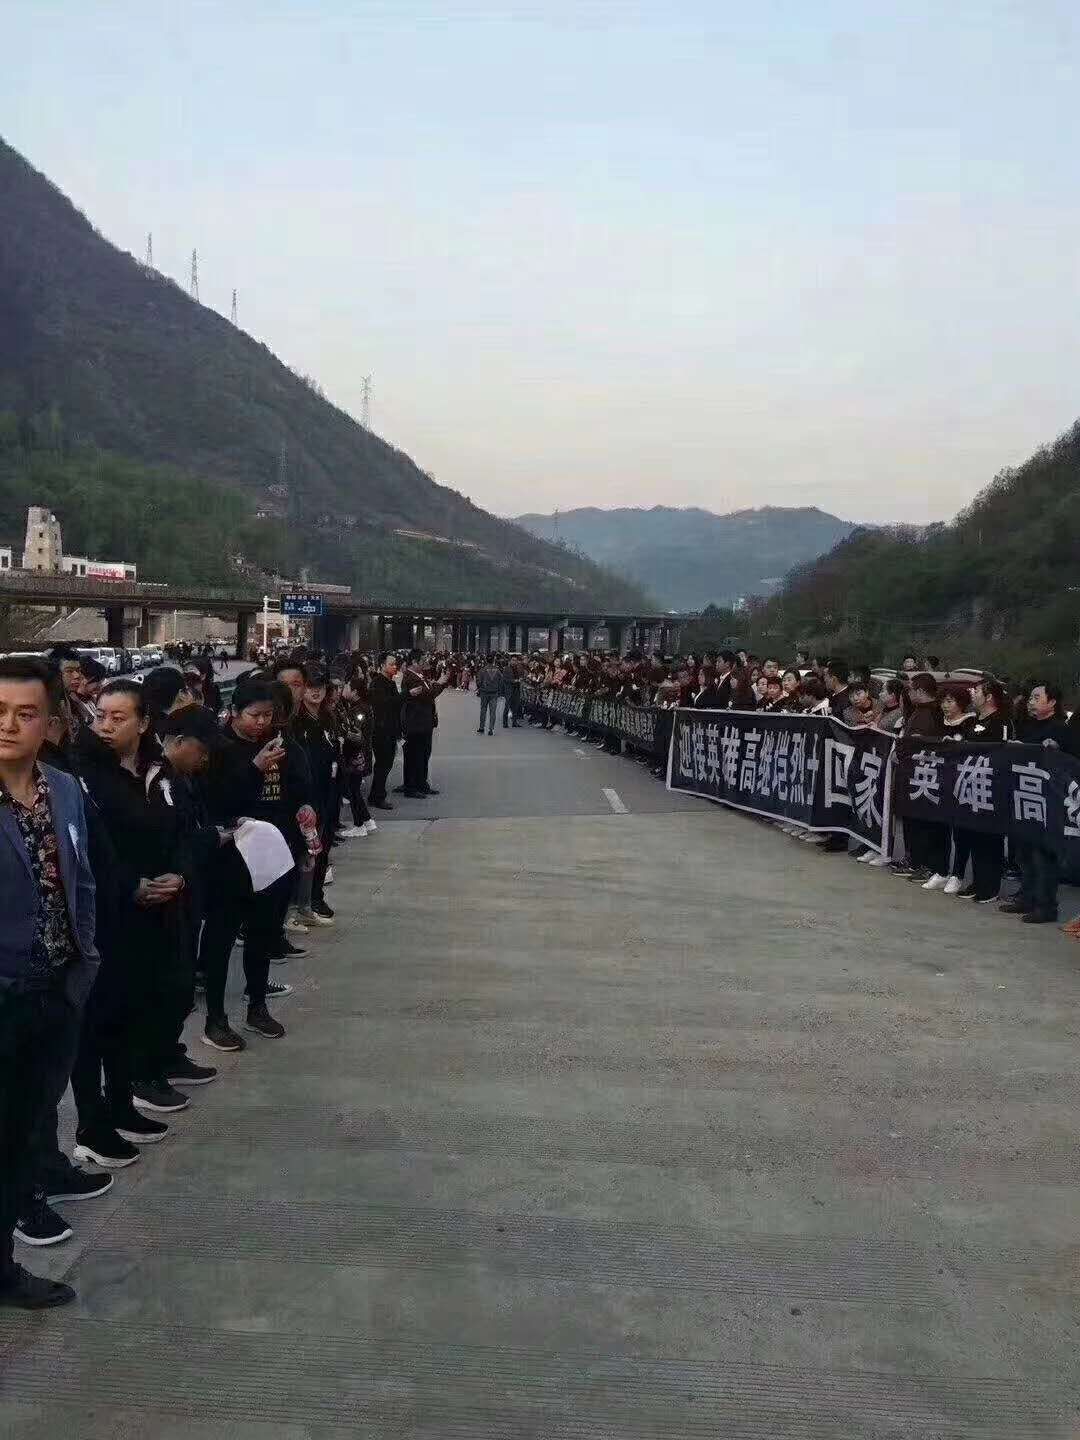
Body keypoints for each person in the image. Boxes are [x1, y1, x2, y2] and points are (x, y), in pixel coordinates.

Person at [0, 656, 98, 1310]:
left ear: (51, 722)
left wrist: (84, 964)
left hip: (55, 997)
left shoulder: (62, 789)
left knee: (21, 1141)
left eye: (24, 713)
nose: (8, 725)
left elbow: (80, 879)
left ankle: (3, 1268)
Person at [199, 677, 304, 1049]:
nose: (261, 722)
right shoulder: (217, 749)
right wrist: (255, 767)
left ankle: (257, 1006)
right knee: (221, 939)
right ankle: (215, 1019)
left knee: (263, 934)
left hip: (270, 856)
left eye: (268, 715)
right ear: (234, 712)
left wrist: (304, 813)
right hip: (228, 859)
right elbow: (217, 802)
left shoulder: (280, 744)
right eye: (254, 715)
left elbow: (298, 787)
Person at [1001, 682, 1071, 924]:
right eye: (1030, 697)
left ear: (1052, 702)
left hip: (1048, 802)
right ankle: (1027, 896)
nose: (1030, 702)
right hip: (1025, 797)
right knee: (1024, 852)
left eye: (1036, 697)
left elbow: (1071, 762)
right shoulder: (1026, 726)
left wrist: (1056, 750)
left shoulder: (1061, 730)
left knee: (1043, 855)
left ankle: (1046, 905)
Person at [398, 649, 447, 797]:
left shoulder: (419, 675)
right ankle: (411, 787)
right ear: (414, 662)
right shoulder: (411, 677)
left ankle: (421, 783)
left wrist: (437, 684)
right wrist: (440, 683)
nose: (426, 662)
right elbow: (426, 695)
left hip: (423, 721)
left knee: (424, 754)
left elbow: (428, 692)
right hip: (416, 722)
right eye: (423, 660)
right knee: (415, 755)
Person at [476, 657, 502, 736]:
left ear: (486, 661)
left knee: (483, 710)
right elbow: (501, 681)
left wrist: (480, 688)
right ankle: (491, 729)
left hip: (484, 693)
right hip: (494, 693)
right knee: (493, 711)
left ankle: (481, 727)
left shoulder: (482, 670)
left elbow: (479, 681)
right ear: (493, 661)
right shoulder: (497, 670)